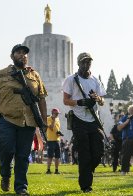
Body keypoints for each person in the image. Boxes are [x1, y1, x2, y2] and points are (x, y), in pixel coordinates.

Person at [0, 44, 47, 195]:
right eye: (19, 53)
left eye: (25, 53)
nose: (23, 55)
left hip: (28, 121)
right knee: (6, 151)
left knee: (23, 156)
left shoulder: (34, 76)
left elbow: (41, 99)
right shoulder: (1, 75)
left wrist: (44, 121)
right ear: (12, 56)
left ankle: (21, 188)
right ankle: (5, 175)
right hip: (7, 120)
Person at [62, 52, 106, 193]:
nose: (86, 65)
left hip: (93, 119)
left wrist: (97, 98)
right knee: (84, 153)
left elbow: (103, 101)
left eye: (88, 62)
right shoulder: (71, 79)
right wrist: (80, 102)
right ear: (78, 63)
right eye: (84, 62)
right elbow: (66, 100)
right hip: (78, 119)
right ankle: (86, 185)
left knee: (99, 150)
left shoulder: (95, 80)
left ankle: (87, 170)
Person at [46, 108, 61, 174]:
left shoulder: (58, 119)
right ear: (53, 113)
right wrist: (54, 119)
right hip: (50, 140)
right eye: (57, 114)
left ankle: (56, 170)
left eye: (58, 114)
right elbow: (51, 127)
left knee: (57, 156)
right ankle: (48, 170)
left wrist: (59, 132)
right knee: (50, 156)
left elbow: (57, 128)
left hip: (57, 140)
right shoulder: (48, 119)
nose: (58, 115)